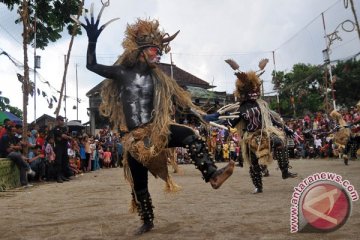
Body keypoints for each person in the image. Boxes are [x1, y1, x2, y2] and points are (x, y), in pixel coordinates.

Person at [74, 3, 234, 235]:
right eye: (154, 50)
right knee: (139, 184)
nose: (158, 54)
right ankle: (147, 220)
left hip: (156, 130)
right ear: (141, 51)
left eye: (159, 51)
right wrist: (92, 40)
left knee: (189, 134)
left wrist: (202, 115)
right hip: (134, 139)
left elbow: (182, 101)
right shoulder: (122, 73)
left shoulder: (160, 78)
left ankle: (212, 175)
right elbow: (91, 65)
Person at [222, 58, 297, 194]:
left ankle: (285, 171)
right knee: (253, 162)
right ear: (244, 91)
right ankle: (258, 186)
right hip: (250, 136)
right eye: (252, 88)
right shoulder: (241, 109)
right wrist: (224, 125)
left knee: (279, 142)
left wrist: (286, 129)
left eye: (256, 87)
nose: (255, 91)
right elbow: (232, 123)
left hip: (265, 132)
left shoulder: (261, 105)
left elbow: (273, 120)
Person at [52, 115, 72, 183]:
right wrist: (66, 137)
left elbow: (67, 136)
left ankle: (63, 176)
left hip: (64, 146)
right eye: (61, 120)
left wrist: (66, 137)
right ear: (58, 121)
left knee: (64, 161)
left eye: (63, 120)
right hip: (58, 147)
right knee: (58, 162)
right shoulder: (56, 129)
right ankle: (58, 177)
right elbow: (64, 136)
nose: (62, 121)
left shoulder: (64, 128)